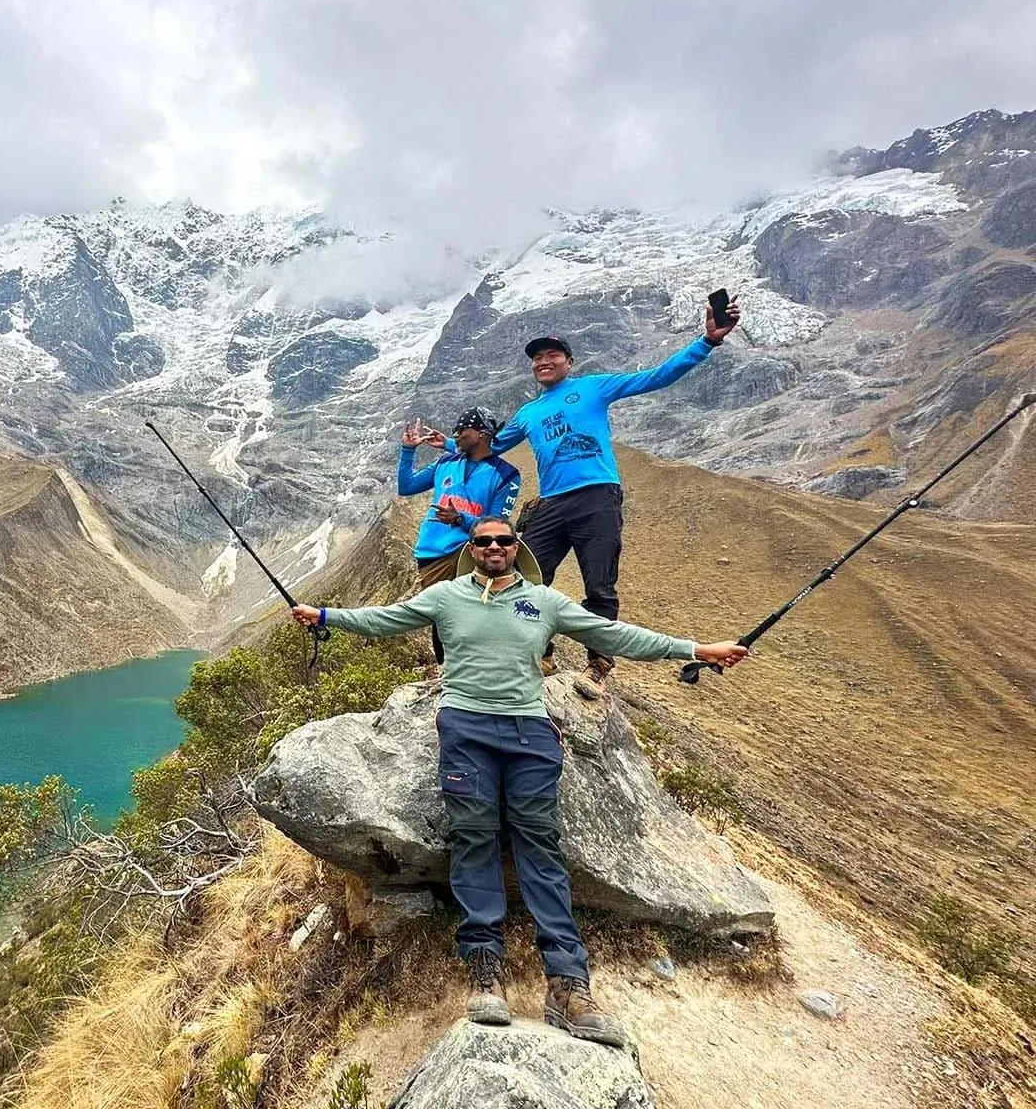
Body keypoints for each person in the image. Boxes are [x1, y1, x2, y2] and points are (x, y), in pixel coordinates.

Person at [290, 517, 747, 1044]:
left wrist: (697, 650)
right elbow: (386, 619)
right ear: (472, 549)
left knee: (540, 846)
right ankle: (486, 971)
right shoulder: (446, 596)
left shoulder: (545, 602)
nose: (493, 547)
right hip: (465, 729)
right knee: (474, 838)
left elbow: (614, 634)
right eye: (483, 541)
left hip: (529, 732)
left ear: (516, 548)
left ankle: (568, 985)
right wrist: (325, 615)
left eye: (503, 540)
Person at [494, 298, 740, 697]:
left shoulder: (593, 387)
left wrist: (707, 342)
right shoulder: (527, 413)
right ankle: (540, 652)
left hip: (597, 497)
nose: (543, 362)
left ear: (569, 362)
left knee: (600, 586)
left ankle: (598, 663)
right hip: (551, 503)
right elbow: (487, 447)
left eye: (552, 355)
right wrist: (444, 446)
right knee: (526, 577)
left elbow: (656, 377)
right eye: (537, 358)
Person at [396, 407, 522, 662]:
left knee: (474, 613)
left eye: (462, 429)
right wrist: (408, 450)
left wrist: (459, 519)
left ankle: (482, 666)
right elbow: (406, 486)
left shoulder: (507, 474)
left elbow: (497, 526)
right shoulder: (445, 462)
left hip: (470, 553)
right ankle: (447, 669)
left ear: (482, 433)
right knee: (441, 616)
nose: (456, 434)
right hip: (432, 552)